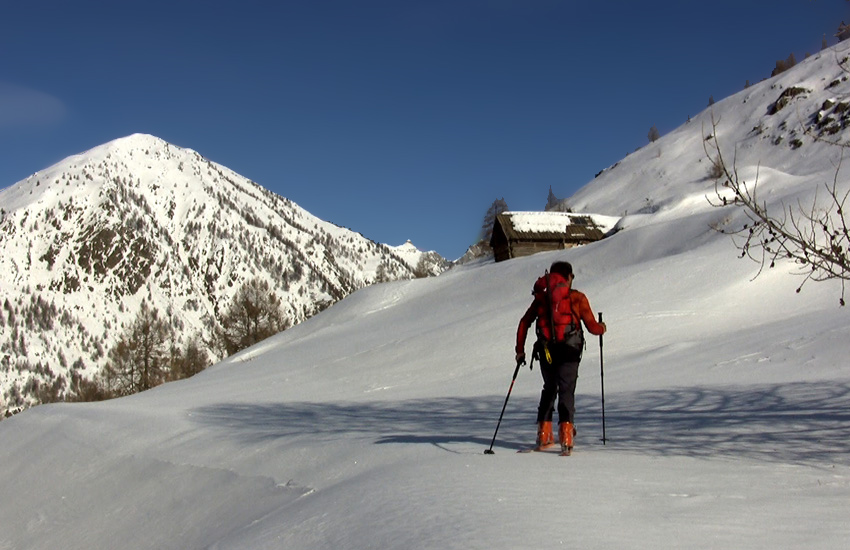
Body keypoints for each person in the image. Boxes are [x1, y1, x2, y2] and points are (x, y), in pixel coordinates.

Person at [515, 261, 606, 454]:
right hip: (570, 352)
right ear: (569, 277)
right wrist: (602, 327)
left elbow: (524, 322)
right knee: (566, 390)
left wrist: (520, 350)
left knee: (549, 389)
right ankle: (566, 435)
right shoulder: (577, 298)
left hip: (546, 351)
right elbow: (592, 327)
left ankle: (544, 434)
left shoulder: (541, 298)